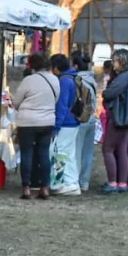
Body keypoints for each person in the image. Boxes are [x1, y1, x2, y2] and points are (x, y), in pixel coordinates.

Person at [11, 53, 59, 199]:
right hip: (47, 121)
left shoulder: (28, 80)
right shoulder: (54, 79)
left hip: (28, 121)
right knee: (44, 153)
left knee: (27, 153)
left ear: (31, 65)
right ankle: (44, 187)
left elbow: (16, 101)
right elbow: (56, 99)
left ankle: (26, 187)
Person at [101, 49, 128, 194]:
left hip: (119, 118)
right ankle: (122, 183)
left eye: (115, 60)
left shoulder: (123, 77)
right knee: (122, 150)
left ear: (121, 61)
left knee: (108, 149)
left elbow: (109, 93)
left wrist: (105, 93)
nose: (113, 63)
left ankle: (112, 183)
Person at [50, 54, 82, 196]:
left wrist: (56, 127)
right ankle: (72, 182)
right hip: (74, 121)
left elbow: (62, 106)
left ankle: (58, 182)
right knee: (70, 153)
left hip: (65, 122)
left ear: (56, 68)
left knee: (59, 153)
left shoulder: (64, 81)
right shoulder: (74, 78)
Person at [72, 52, 99, 192]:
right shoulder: (92, 79)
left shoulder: (77, 80)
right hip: (92, 117)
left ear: (75, 65)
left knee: (77, 150)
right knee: (88, 152)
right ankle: (85, 181)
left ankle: (74, 180)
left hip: (80, 118)